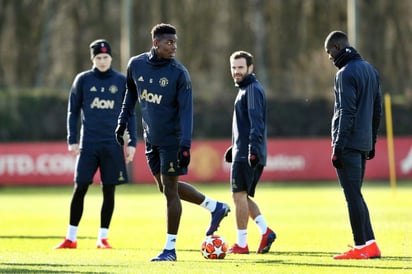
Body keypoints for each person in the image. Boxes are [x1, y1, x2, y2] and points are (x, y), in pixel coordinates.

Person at [116, 23, 230, 261]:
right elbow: (130, 94)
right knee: (164, 187)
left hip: (172, 141)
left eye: (175, 43)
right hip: (151, 139)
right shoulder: (136, 64)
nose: (174, 47)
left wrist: (185, 145)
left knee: (169, 191)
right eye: (169, 43)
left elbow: (187, 112)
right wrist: (122, 122)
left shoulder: (179, 73)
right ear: (155, 43)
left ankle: (170, 249)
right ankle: (214, 206)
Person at [55, 39, 137, 249]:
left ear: (111, 57)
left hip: (112, 144)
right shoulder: (83, 80)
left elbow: (131, 114)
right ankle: (71, 237)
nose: (102, 61)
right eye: (98, 57)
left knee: (109, 190)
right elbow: (72, 111)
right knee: (80, 187)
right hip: (88, 144)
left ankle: (102, 237)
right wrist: (72, 140)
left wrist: (132, 142)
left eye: (105, 57)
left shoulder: (121, 81)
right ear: (93, 58)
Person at [324, 30, 382, 259]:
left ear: (337, 49)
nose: (329, 58)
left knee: (352, 196)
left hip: (348, 144)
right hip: (363, 142)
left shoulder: (345, 74)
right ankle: (370, 244)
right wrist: (373, 141)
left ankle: (361, 246)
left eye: (329, 53)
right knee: (356, 194)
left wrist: (337, 146)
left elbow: (346, 112)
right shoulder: (371, 70)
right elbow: (376, 110)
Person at [224, 51, 276, 254]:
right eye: (233, 68)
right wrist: (234, 147)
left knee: (238, 196)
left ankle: (242, 244)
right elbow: (246, 126)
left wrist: (252, 150)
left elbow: (256, 123)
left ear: (250, 68)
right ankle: (265, 231)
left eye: (240, 67)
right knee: (242, 197)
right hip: (243, 151)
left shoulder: (252, 90)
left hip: (247, 154)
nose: (236, 72)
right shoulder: (245, 89)